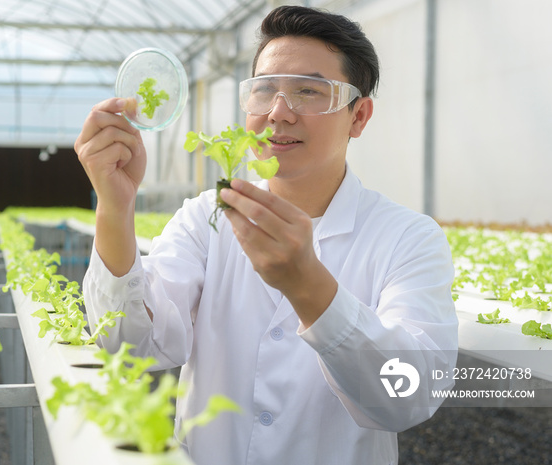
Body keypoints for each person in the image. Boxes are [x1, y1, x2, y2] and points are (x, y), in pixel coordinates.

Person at [75, 5, 458, 465]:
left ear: (359, 116)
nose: (279, 112)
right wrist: (115, 208)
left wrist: (309, 288)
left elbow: (407, 397)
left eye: (309, 92)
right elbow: (133, 344)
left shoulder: (408, 238)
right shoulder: (206, 217)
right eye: (264, 90)